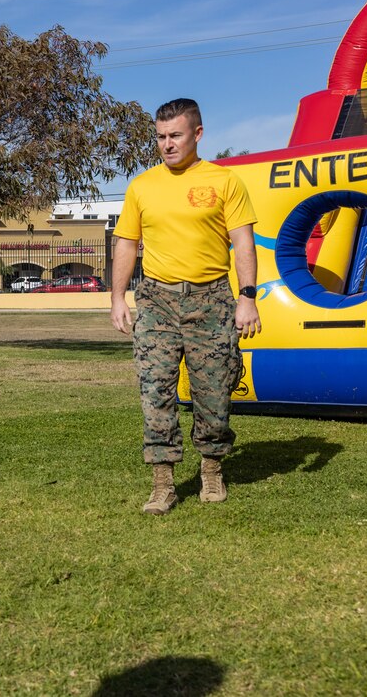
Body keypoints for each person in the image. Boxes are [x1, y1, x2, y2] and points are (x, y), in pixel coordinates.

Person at [110, 98, 262, 516]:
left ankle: (212, 469)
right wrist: (117, 296)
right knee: (155, 390)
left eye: (175, 135)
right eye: (160, 137)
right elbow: (126, 243)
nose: (166, 144)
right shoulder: (142, 186)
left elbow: (243, 243)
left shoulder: (225, 181)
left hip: (211, 299)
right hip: (156, 299)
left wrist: (247, 297)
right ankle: (163, 484)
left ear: (197, 134)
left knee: (213, 392)